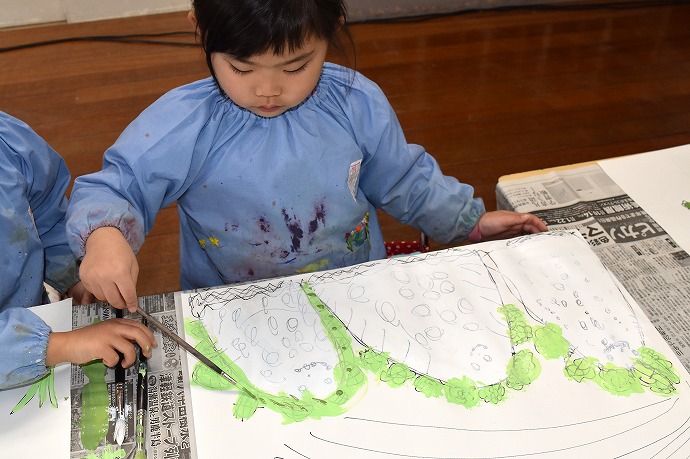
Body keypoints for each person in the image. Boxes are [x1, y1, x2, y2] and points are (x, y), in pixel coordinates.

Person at [66, 0, 548, 314]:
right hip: (234, 306)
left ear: (332, 29)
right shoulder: (187, 123)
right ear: (199, 29)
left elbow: (403, 178)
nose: (268, 89)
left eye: (296, 66)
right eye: (241, 68)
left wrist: (468, 221)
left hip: (353, 290)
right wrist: (106, 238)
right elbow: (119, 186)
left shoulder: (355, 102)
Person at [0, 111, 156, 391]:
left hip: (36, 318)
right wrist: (62, 346)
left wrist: (71, 277)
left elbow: (45, 212)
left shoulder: (8, 144)